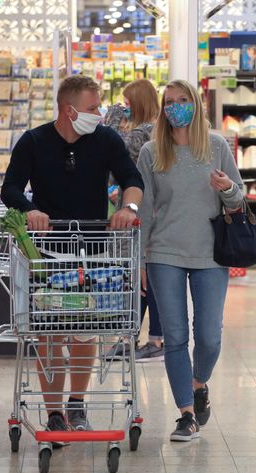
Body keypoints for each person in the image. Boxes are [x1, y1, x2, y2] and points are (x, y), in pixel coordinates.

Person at [1, 75, 144, 436]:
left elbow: (132, 178)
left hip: (93, 248)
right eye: (94, 107)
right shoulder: (33, 141)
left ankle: (76, 404)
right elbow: (10, 188)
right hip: (46, 252)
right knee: (49, 332)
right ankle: (53, 412)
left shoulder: (106, 140)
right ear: (70, 109)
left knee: (85, 330)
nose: (100, 113)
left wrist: (127, 207)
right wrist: (29, 209)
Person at [137, 79, 243, 442]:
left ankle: (199, 385)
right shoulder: (152, 152)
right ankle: (186, 414)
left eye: (183, 100)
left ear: (196, 104)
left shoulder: (215, 146)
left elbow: (239, 197)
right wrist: (139, 259)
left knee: (210, 337)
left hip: (211, 253)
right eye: (170, 102)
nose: (175, 107)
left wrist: (227, 188)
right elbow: (145, 209)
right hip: (164, 252)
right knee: (176, 336)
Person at [104, 79, 164, 362]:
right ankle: (132, 337)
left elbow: (110, 152)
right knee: (139, 276)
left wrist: (111, 121)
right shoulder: (152, 130)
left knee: (145, 277)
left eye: (127, 103)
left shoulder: (144, 132)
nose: (123, 108)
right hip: (139, 210)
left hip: (141, 211)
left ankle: (153, 339)